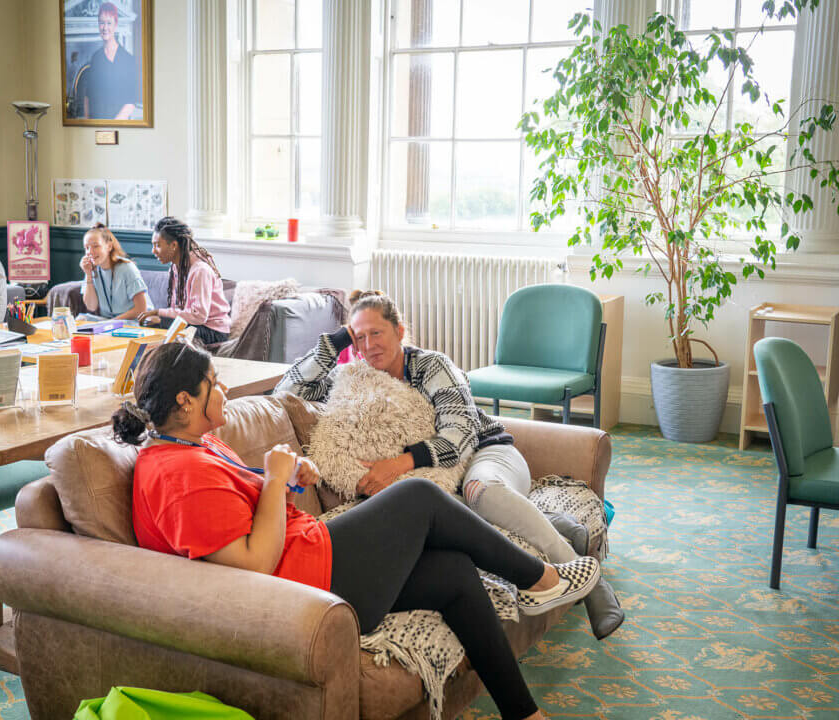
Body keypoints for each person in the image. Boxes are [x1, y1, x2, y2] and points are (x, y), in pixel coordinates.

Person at [114, 342, 603, 720]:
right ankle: (540, 579)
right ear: (185, 400)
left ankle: (525, 712)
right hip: (307, 588)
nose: (222, 391)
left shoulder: (196, 447)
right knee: (418, 498)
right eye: (213, 383)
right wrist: (275, 483)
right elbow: (253, 566)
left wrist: (282, 482)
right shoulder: (178, 477)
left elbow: (246, 515)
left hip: (312, 558)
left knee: (454, 572)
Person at [275, 290, 625, 640]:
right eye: (359, 337)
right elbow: (285, 392)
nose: (369, 346)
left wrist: (397, 465)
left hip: (487, 454)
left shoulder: (431, 365)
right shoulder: (356, 378)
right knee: (445, 516)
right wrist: (334, 343)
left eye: (377, 333)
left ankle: (589, 584)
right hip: (438, 482)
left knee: (480, 493)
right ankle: (557, 524)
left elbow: (460, 437)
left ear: (399, 331)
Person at [137, 216, 231, 345]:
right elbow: (179, 309)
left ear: (174, 245)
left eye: (157, 245)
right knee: (152, 327)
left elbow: (198, 316)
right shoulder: (175, 268)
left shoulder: (200, 271)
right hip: (194, 325)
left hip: (213, 331)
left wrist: (160, 314)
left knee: (163, 326)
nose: (153, 251)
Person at [74, 1, 141, 120]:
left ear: (115, 25)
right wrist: (88, 124)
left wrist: (113, 125)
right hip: (97, 123)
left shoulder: (128, 60)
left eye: (109, 23)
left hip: (120, 125)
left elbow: (131, 101)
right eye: (101, 23)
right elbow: (88, 96)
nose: (105, 28)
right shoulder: (96, 58)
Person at [79, 223, 152, 321]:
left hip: (133, 321)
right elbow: (91, 306)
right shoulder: (92, 269)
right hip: (108, 321)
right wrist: (88, 274)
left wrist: (112, 322)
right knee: (81, 319)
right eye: (86, 248)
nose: (90, 252)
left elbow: (141, 309)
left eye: (95, 246)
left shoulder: (127, 268)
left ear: (109, 246)